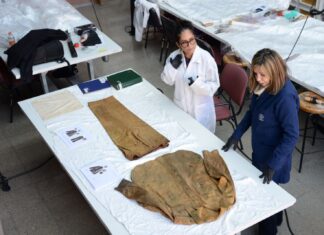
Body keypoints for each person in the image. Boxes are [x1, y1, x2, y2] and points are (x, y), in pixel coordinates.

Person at [222, 48, 299, 235]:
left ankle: (268, 230)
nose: (258, 78)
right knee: (271, 193)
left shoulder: (285, 98)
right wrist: (236, 135)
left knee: (267, 201)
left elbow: (291, 135)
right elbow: (252, 113)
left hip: (274, 159)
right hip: (260, 152)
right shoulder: (261, 86)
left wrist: (273, 164)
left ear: (275, 71)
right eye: (255, 73)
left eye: (263, 75)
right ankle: (277, 217)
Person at [161, 20, 219, 133]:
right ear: (178, 44)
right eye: (184, 43)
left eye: (192, 40)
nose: (190, 46)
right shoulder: (174, 56)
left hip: (200, 112)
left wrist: (196, 84)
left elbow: (213, 87)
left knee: (202, 141)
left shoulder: (206, 59)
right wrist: (172, 67)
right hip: (181, 108)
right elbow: (167, 80)